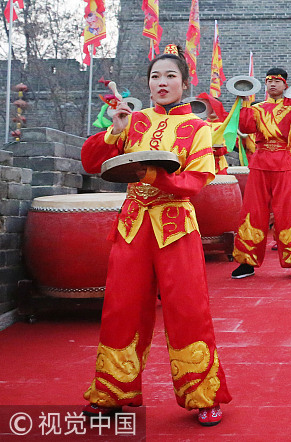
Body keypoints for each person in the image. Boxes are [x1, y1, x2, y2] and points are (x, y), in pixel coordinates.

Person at [79, 46, 230, 426]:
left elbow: (194, 182)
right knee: (121, 306)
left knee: (188, 308)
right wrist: (115, 130)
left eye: (170, 76)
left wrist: (152, 175)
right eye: (155, 77)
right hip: (132, 225)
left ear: (184, 83)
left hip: (175, 226)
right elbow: (91, 162)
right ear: (148, 84)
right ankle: (112, 391)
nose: (162, 83)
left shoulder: (199, 128)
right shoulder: (133, 121)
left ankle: (203, 394)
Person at [230, 67, 291, 280]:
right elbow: (246, 128)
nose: (273, 84)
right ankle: (247, 262)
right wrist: (244, 102)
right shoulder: (257, 108)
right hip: (260, 163)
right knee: (253, 211)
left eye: (277, 81)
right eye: (269, 81)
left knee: (288, 211)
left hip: (283, 162)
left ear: (285, 85)